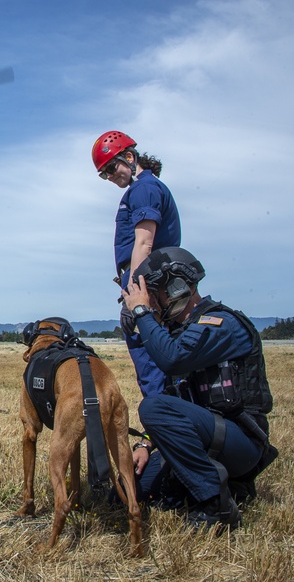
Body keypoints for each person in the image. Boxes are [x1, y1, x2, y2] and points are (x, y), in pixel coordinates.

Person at [121, 247, 277, 532]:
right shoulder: (180, 334)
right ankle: (205, 487)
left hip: (238, 440)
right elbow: (173, 397)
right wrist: (146, 443)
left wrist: (141, 312)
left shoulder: (221, 324)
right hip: (205, 438)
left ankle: (217, 504)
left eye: (154, 295)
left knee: (152, 407)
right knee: (127, 491)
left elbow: (172, 359)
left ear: (177, 286)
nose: (151, 304)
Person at [92, 130, 182, 397]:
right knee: (154, 363)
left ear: (129, 157)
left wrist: (135, 296)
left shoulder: (144, 188)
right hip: (147, 282)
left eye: (111, 167)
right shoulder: (142, 188)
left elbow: (144, 242)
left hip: (145, 285)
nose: (110, 176)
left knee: (150, 364)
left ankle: (160, 430)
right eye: (104, 173)